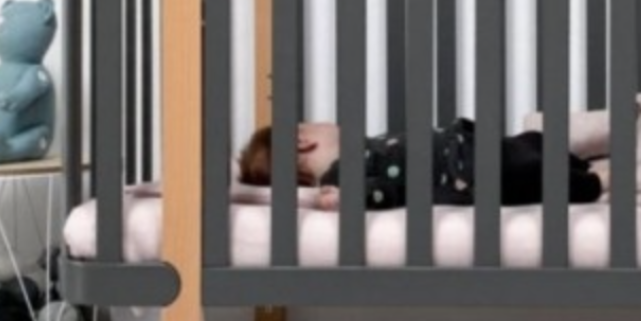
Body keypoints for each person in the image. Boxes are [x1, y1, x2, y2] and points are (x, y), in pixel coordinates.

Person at [238, 118, 605, 210]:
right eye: (311, 122)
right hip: (471, 172)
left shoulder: (358, 155)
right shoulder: (342, 175)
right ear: (302, 140)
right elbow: (381, 192)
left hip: (472, 149)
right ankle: (598, 181)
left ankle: (586, 163)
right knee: (533, 171)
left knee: (532, 144)